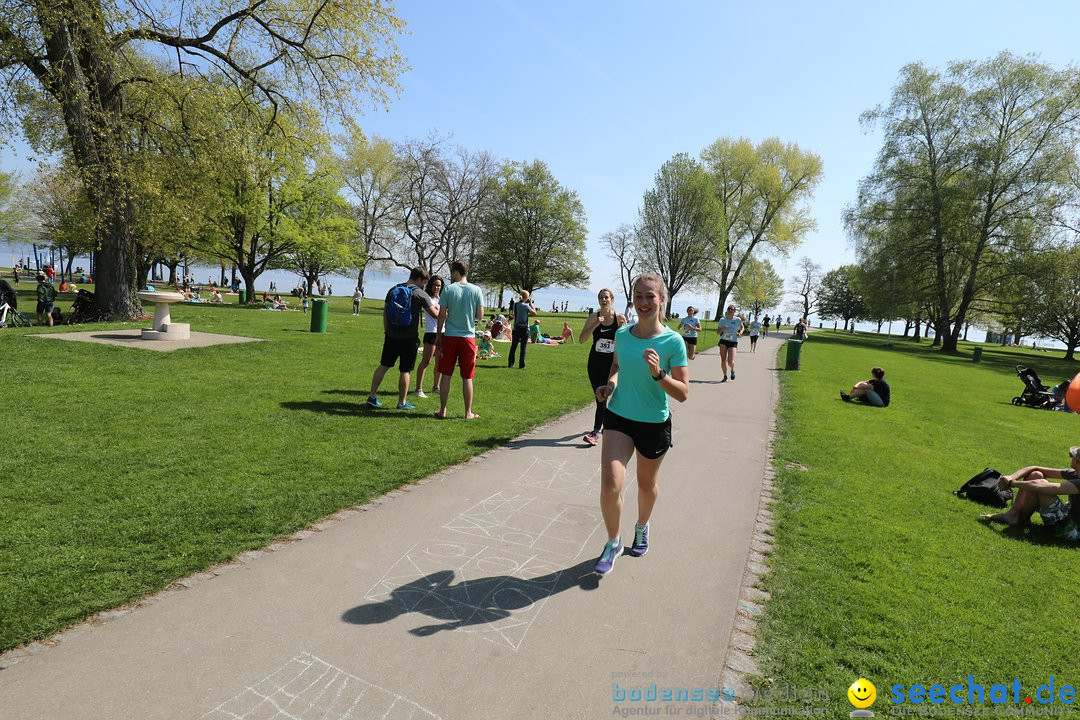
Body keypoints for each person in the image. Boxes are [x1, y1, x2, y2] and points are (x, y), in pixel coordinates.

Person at [592, 273, 690, 576]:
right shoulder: (623, 335)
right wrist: (609, 386)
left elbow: (683, 393)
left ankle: (642, 526)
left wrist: (659, 374)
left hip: (653, 423)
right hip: (620, 416)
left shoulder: (672, 341)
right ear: (632, 299)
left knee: (646, 485)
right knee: (611, 483)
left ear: (662, 300)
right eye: (639, 296)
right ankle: (613, 541)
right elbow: (618, 366)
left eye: (650, 296)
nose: (644, 302)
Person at [367, 267, 439, 411]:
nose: (423, 285)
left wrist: (387, 331)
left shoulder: (393, 289)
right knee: (405, 371)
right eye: (423, 282)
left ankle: (372, 396)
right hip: (409, 338)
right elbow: (435, 315)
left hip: (391, 336)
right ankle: (402, 402)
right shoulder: (420, 294)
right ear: (418, 279)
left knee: (383, 366)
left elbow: (386, 312)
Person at [980, 447, 1080, 539]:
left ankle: (1019, 520)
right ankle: (1013, 514)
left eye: (1071, 455)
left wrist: (1012, 483)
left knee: (1039, 486)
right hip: (1070, 516)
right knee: (1035, 475)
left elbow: (1041, 486)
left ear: (1076, 461)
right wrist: (1011, 477)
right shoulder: (1074, 473)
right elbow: (1034, 468)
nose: (1071, 458)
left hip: (1074, 530)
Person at [435, 259, 485, 419]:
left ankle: (443, 410)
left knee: (446, 375)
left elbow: (441, 315)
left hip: (450, 336)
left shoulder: (448, 289)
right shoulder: (476, 290)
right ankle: (467, 412)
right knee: (467, 377)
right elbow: (480, 315)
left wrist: (438, 335)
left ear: (456, 272)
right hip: (468, 338)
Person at [578, 288, 625, 446]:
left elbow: (626, 342)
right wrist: (595, 324)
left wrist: (623, 330)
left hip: (612, 364)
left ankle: (596, 432)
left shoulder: (619, 318)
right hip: (594, 363)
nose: (603, 300)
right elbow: (582, 339)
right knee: (599, 396)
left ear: (612, 299)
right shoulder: (593, 317)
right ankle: (606, 426)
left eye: (606, 297)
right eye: (601, 298)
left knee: (602, 397)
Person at [414, 275, 445, 398]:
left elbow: (442, 314)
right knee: (426, 361)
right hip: (431, 333)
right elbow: (436, 315)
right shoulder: (427, 298)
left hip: (443, 332)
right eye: (434, 285)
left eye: (439, 285)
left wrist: (444, 313)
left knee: (440, 362)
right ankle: (418, 389)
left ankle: (436, 386)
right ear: (430, 285)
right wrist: (446, 313)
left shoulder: (442, 299)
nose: (436, 287)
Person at [507, 290, 537, 369]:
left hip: (516, 327)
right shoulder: (526, 306)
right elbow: (534, 313)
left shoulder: (515, 305)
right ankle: (521, 365)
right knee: (523, 347)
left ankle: (511, 363)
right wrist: (531, 303)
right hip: (524, 328)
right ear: (527, 297)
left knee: (513, 346)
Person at [716, 304, 743, 382]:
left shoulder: (737, 319)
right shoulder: (722, 320)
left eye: (732, 309)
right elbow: (718, 332)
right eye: (729, 309)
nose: (730, 310)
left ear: (734, 311)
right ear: (727, 310)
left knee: (730, 361)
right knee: (723, 360)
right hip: (723, 341)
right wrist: (722, 329)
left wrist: (740, 332)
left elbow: (742, 327)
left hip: (733, 341)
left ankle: (732, 369)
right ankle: (725, 376)